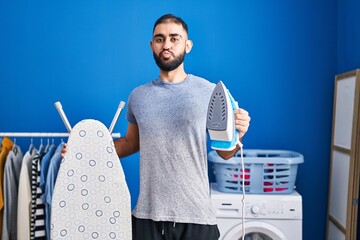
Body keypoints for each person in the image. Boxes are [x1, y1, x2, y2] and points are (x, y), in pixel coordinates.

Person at [62, 14, 250, 240]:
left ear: (187, 45)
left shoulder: (209, 92)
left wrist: (239, 134)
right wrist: (84, 151)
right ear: (152, 45)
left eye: (174, 38)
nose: (167, 44)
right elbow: (130, 144)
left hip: (197, 216)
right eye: (160, 39)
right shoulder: (138, 96)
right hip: (147, 216)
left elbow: (225, 152)